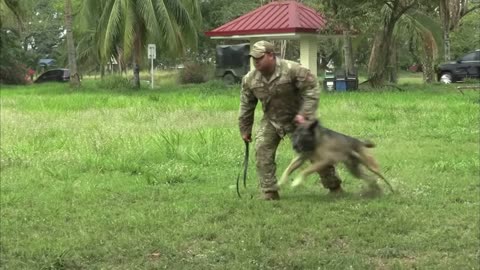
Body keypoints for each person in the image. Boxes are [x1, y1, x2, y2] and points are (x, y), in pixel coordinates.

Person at [238, 40, 343, 200]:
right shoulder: (250, 79)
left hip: (299, 118)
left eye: (260, 57)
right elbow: (246, 105)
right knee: (262, 149)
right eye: (254, 58)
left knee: (315, 153)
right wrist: (245, 129)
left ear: (271, 55)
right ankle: (269, 191)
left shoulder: (293, 70)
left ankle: (334, 186)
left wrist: (305, 113)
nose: (256, 61)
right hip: (272, 119)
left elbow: (312, 88)